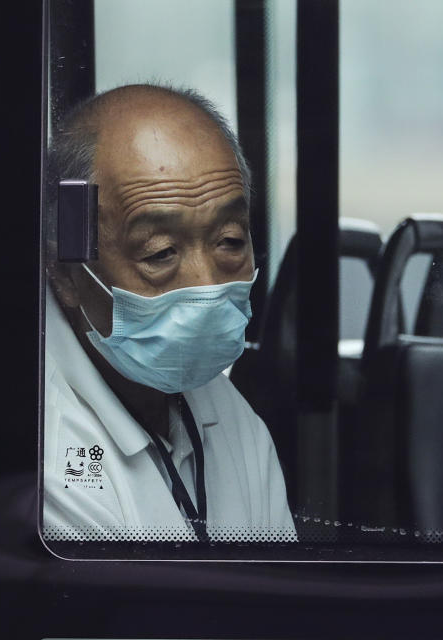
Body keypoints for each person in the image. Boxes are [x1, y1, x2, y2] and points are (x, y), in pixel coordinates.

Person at [43, 84, 295, 542]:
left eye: (230, 241)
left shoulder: (229, 412)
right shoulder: (44, 456)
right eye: (160, 253)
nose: (206, 283)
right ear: (66, 275)